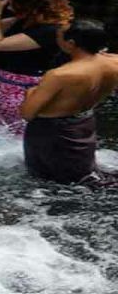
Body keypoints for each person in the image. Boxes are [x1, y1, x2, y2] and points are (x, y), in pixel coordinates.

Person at [20, 19, 118, 185]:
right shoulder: (115, 61)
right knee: (82, 175)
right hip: (84, 122)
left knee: (50, 181)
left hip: (51, 131)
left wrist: (30, 92)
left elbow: (27, 114)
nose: (56, 37)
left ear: (71, 43)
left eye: (59, 35)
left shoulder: (60, 75)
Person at [0, 0, 74, 135]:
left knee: (18, 132)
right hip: (1, 83)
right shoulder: (22, 21)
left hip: (22, 88)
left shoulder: (50, 31)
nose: (12, 10)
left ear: (32, 10)